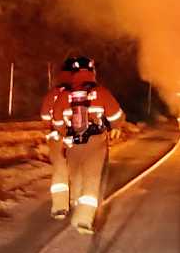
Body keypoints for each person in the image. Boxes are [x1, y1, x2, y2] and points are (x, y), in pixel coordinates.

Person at [49, 55, 125, 234]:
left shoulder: (64, 95)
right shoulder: (101, 92)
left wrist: (65, 134)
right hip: (96, 142)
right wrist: (116, 127)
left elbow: (56, 120)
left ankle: (76, 203)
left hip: (72, 143)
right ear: (92, 71)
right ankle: (83, 219)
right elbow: (117, 116)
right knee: (91, 178)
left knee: (75, 175)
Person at [39, 66, 73, 217]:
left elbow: (45, 117)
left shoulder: (51, 94)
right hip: (75, 138)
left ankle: (60, 207)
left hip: (56, 138)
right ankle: (77, 201)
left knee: (60, 170)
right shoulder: (79, 94)